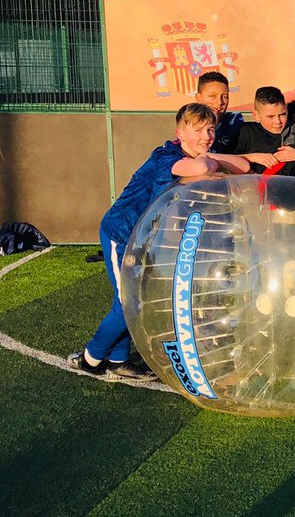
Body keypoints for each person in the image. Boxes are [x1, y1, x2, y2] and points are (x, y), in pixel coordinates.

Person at [69, 104, 251, 379]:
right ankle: (90, 358)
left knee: (132, 299)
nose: (206, 136)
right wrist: (210, 161)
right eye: (198, 130)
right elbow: (199, 166)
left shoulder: (199, 153)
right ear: (180, 133)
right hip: (122, 233)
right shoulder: (165, 155)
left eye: (211, 129)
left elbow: (244, 166)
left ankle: (118, 360)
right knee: (129, 303)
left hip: (146, 239)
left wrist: (211, 158)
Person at [233, 86, 295, 177]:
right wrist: (253, 157)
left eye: (282, 114)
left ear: (287, 109)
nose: (278, 121)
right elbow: (228, 161)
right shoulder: (247, 131)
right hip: (261, 187)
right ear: (256, 115)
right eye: (270, 117)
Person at [195, 71, 243, 153]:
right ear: (198, 98)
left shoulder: (234, 122)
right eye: (212, 96)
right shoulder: (189, 124)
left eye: (225, 97)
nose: (220, 102)